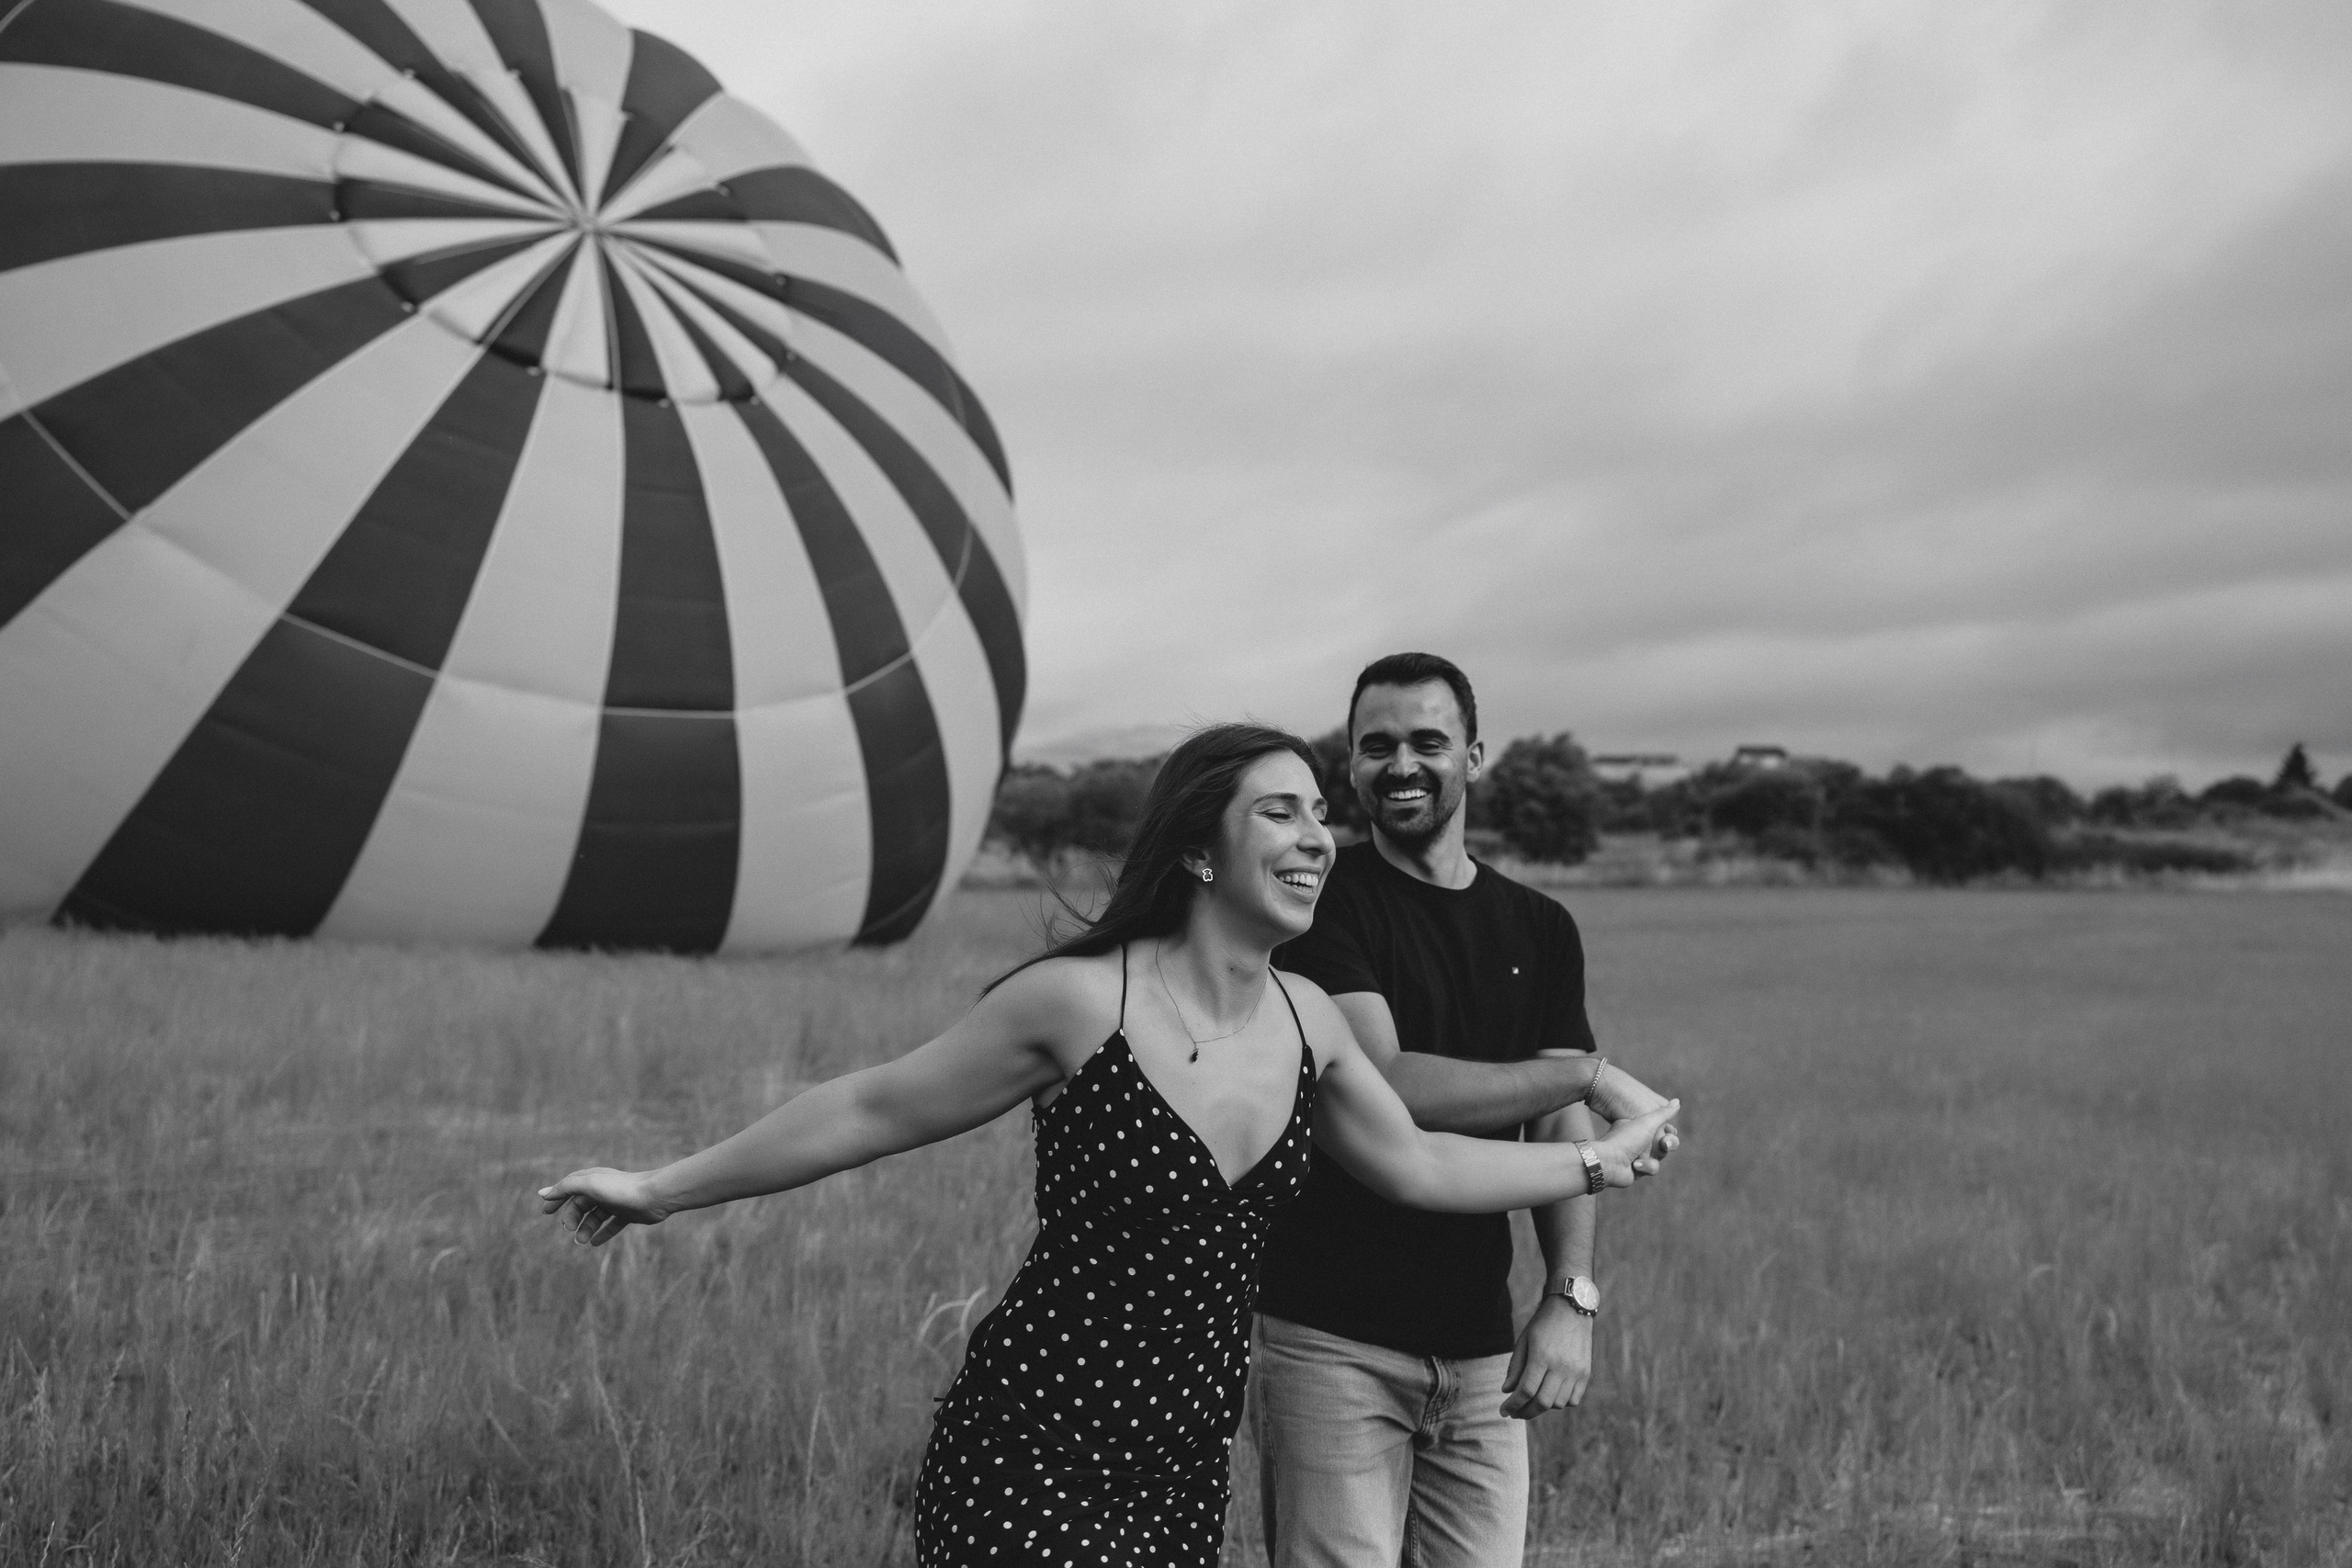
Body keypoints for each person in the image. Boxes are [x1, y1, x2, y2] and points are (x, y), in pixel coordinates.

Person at [537, 722, 1680, 1568]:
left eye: (1316, 814)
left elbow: (1423, 1165)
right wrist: (658, 1189)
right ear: (1198, 852)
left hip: (1180, 1458)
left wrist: (1596, 1161)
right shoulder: (1079, 1003)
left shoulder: (1307, 1025)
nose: (1316, 837)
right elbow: (869, 1111)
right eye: (1278, 812)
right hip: (1037, 1431)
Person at [1252, 652, 1671, 1568]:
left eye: (1426, 742)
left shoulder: (1539, 927)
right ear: (1352, 766)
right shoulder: (1321, 900)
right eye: (1376, 747)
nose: (1400, 764)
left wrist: (1569, 1299)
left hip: (1480, 1355)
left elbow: (1561, 1137)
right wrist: (1583, 1074)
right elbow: (1386, 1082)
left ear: (1473, 755)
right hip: (1330, 1345)